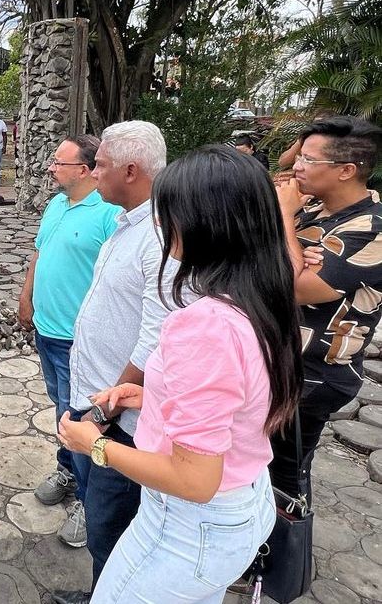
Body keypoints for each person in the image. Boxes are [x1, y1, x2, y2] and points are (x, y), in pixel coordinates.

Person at [59, 145, 304, 604]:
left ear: (204, 224)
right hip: (240, 501)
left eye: (168, 211)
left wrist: (92, 444)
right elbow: (232, 407)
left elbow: (195, 479)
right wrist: (154, 397)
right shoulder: (260, 297)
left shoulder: (205, 324)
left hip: (190, 526)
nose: (159, 223)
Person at [50, 121, 173, 604]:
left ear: (130, 169)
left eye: (99, 164)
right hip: (96, 402)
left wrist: (105, 412)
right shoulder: (128, 223)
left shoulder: (159, 237)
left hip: (120, 418)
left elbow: (155, 339)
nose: (92, 171)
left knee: (111, 526)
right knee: (101, 514)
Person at [272, 115, 382, 503]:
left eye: (307, 160)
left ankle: (285, 558)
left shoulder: (372, 228)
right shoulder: (315, 209)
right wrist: (298, 253)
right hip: (278, 359)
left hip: (313, 373)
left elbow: (291, 287)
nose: (295, 167)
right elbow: (272, 259)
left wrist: (285, 220)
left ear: (346, 171)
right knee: (257, 465)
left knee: (283, 476)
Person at [19, 136, 121, 549]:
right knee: (62, 411)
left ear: (84, 169)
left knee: (83, 419)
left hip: (80, 342)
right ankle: (68, 469)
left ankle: (87, 500)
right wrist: (26, 296)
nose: (50, 168)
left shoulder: (110, 214)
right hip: (47, 330)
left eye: (58, 163)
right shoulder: (57, 204)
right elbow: (39, 254)